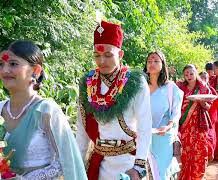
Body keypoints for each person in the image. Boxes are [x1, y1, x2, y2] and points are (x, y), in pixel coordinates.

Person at [76, 21, 152, 180]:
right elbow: (82, 131)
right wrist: (77, 167)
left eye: (108, 55)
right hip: (98, 164)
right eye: (97, 55)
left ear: (121, 54)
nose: (101, 61)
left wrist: (138, 168)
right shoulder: (88, 84)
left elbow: (145, 127)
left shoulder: (135, 82)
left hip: (129, 164)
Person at [0, 40, 86, 179]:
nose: (5, 70)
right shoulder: (0, 108)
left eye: (13, 64)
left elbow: (65, 161)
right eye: (1, 64)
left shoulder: (46, 111)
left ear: (35, 70)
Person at [144, 51, 183, 180]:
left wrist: (168, 126)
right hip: (143, 136)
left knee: (161, 173)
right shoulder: (141, 87)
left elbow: (176, 112)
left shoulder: (171, 88)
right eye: (149, 61)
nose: (152, 64)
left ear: (163, 65)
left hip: (163, 136)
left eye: (156, 61)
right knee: (144, 171)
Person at [177, 64, 212, 180]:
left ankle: (197, 175)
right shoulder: (181, 88)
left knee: (199, 150)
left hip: (199, 124)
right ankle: (186, 175)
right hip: (185, 124)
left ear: (196, 73)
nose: (189, 76)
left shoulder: (203, 87)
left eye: (191, 73)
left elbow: (208, 107)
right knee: (186, 151)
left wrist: (202, 102)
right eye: (186, 74)